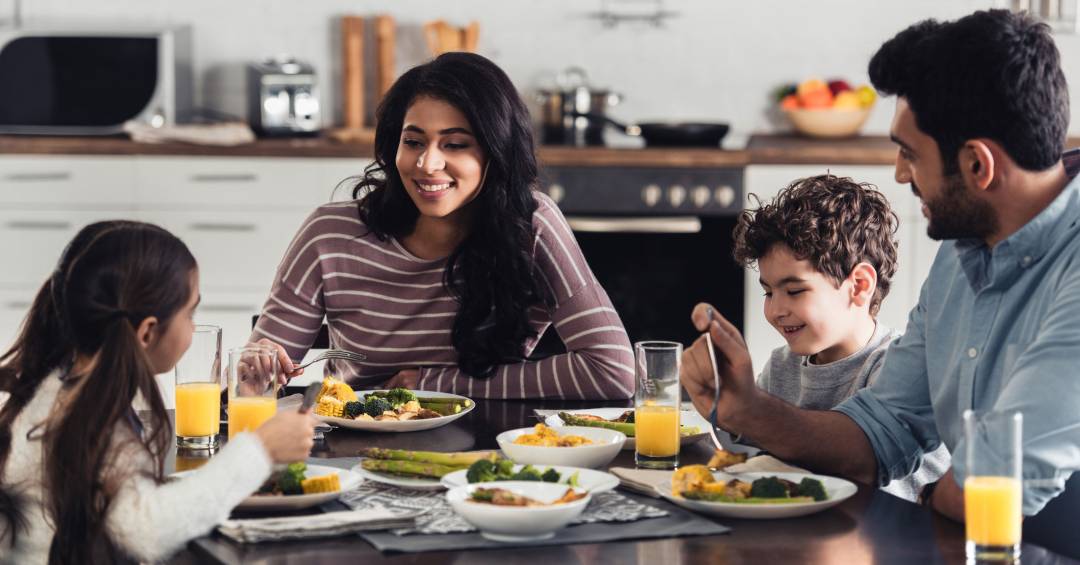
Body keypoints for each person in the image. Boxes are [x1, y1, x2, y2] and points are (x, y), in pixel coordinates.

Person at [681, 8, 1080, 532]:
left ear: (978, 166)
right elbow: (882, 432)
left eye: (910, 155)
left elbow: (992, 486)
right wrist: (746, 409)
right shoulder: (962, 251)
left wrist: (926, 496)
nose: (898, 173)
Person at [252, 52, 634, 399]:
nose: (427, 164)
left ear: (496, 153)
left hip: (492, 446)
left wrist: (432, 384)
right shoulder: (329, 233)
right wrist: (257, 366)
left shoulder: (531, 225)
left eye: (454, 144)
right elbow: (259, 376)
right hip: (354, 448)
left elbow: (613, 370)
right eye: (414, 141)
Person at [0, 221, 316, 564]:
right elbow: (147, 533)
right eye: (190, 313)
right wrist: (261, 450)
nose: (194, 327)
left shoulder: (68, 387)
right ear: (148, 332)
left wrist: (235, 400)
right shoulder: (89, 416)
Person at [688, 174, 949, 501]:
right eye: (769, 292)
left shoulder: (895, 373)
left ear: (859, 286)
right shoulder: (782, 366)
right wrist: (721, 403)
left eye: (795, 291)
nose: (776, 310)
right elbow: (755, 459)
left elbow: (874, 494)